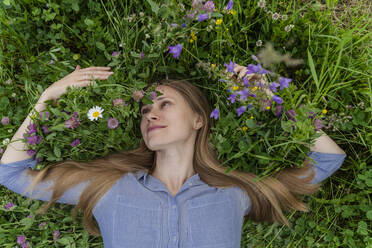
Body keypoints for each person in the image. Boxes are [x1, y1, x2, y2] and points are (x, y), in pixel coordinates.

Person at [0, 64, 346, 248]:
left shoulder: (235, 192)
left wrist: (272, 96)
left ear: (199, 119)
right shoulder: (107, 188)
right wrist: (48, 97)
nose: (150, 115)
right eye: (146, 110)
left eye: (165, 105)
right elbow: (11, 173)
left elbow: (328, 159)